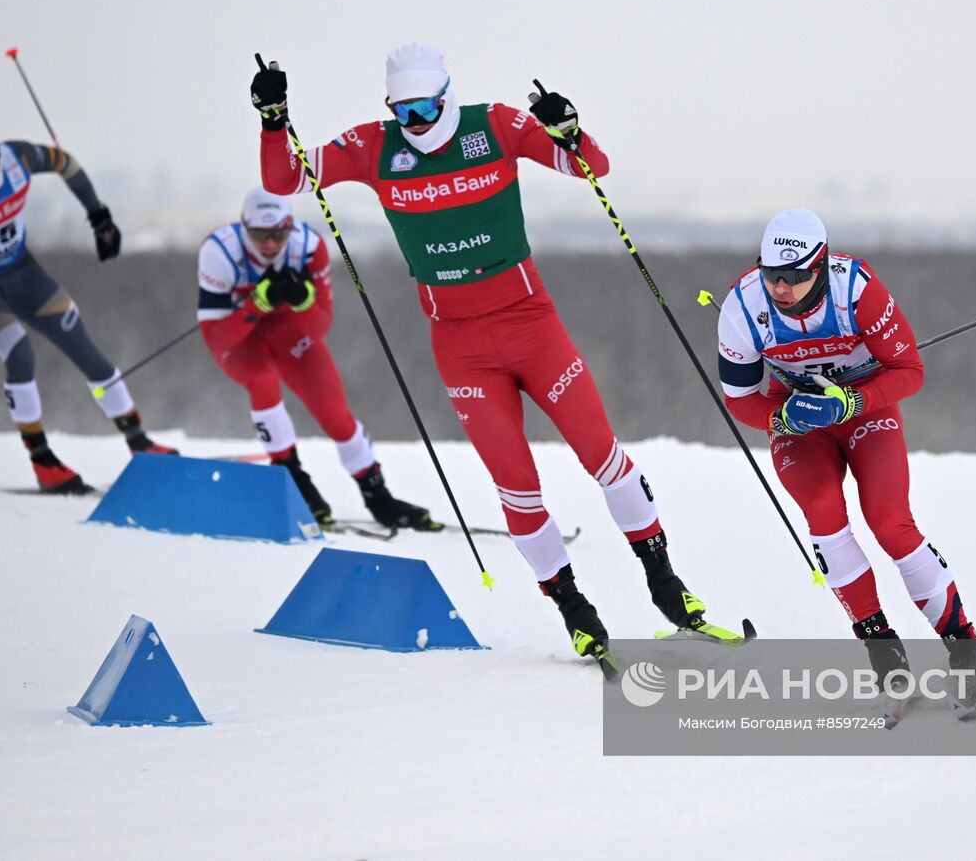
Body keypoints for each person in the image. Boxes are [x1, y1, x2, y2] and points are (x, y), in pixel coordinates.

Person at [250, 43, 732, 670]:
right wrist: (272, 118)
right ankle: (574, 611)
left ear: (446, 96)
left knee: (603, 456)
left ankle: (666, 584)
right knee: (517, 489)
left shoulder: (495, 125)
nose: (414, 123)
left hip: (531, 325)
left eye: (424, 107)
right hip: (460, 345)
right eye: (402, 111)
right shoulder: (375, 146)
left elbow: (592, 168)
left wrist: (571, 128)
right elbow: (284, 179)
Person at [716, 207, 976, 710]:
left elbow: (910, 370)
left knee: (889, 521)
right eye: (772, 274)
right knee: (822, 509)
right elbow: (738, 400)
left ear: (819, 265)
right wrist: (782, 417)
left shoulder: (857, 291)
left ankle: (967, 653)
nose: (782, 287)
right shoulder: (741, 306)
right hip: (800, 421)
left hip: (865, 410)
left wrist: (851, 401)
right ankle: (883, 653)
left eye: (795, 276)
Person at [0, 123, 174, 493]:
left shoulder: (19, 158)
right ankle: (43, 460)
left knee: (86, 351)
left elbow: (68, 164)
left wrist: (98, 216)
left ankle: (139, 442)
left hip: (23, 273)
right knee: (19, 351)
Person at [198, 187, 435, 531]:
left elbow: (321, 325)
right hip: (240, 336)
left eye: (279, 233)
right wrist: (256, 304)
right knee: (262, 381)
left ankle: (378, 497)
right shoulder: (219, 252)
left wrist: (303, 299)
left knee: (335, 413)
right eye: (260, 235)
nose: (270, 244)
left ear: (290, 227)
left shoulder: (307, 247)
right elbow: (218, 338)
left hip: (287, 331)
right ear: (243, 227)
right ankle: (293, 479)